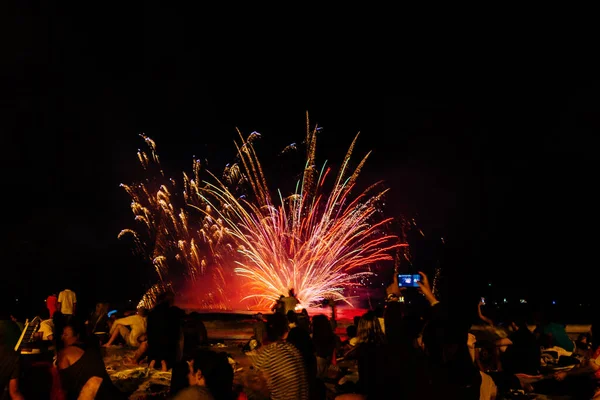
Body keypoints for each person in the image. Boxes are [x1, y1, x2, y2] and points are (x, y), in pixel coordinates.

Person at [57, 319, 126, 399]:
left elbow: (63, 385)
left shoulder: (64, 353)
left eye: (66, 335)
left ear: (77, 336)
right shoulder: (92, 348)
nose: (62, 338)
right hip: (111, 393)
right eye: (62, 334)